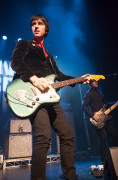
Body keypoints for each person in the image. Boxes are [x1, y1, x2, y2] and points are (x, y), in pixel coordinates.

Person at [11, 14, 91, 180]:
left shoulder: (48, 55)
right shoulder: (24, 44)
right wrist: (32, 78)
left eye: (40, 23)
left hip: (50, 98)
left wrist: (80, 79)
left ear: (46, 28)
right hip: (33, 97)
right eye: (33, 23)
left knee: (67, 134)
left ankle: (70, 176)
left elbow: (59, 76)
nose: (36, 26)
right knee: (43, 138)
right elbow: (16, 63)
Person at [82, 79, 118, 164]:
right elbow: (83, 106)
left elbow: (106, 104)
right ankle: (104, 161)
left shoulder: (100, 92)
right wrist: (92, 115)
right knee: (102, 139)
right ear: (90, 84)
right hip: (98, 119)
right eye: (94, 81)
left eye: (97, 81)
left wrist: (116, 102)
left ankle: (115, 157)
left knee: (114, 135)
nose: (96, 82)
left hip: (106, 117)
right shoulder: (88, 93)